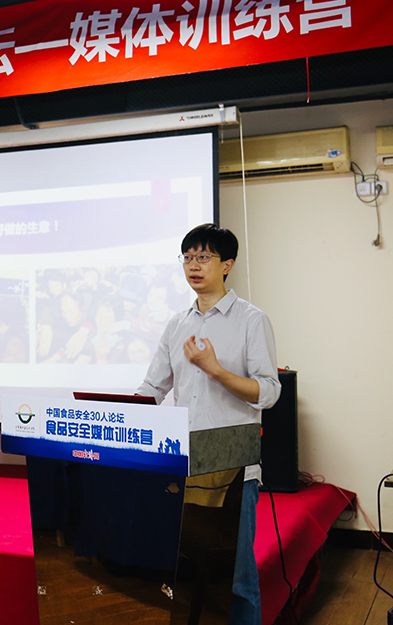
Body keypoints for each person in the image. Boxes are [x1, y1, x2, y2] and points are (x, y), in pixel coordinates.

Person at [135, 222, 281, 625]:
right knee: (185, 570)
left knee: (238, 578)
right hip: (184, 464)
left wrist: (214, 370)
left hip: (233, 469)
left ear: (227, 264)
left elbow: (269, 392)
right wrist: (121, 411)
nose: (193, 266)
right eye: (187, 257)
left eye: (203, 257)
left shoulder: (251, 320)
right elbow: (153, 387)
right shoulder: (176, 324)